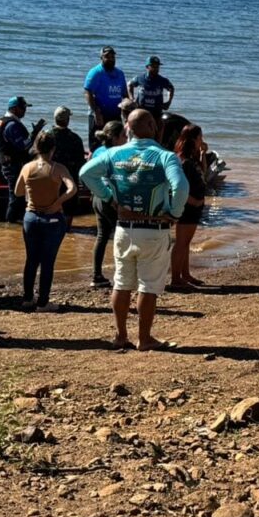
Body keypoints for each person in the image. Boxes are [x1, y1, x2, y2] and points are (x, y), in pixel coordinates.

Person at [80, 110, 189, 350]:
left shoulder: (114, 153)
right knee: (148, 286)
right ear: (152, 126)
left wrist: (109, 197)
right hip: (153, 228)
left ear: (128, 129)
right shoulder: (164, 156)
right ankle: (145, 338)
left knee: (121, 282)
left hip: (123, 228)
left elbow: (85, 173)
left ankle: (120, 335)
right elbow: (181, 186)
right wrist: (174, 212)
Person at [14, 131, 77, 312]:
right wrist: (57, 203)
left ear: (36, 147)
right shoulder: (58, 168)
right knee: (47, 261)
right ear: (53, 149)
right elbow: (72, 188)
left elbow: (18, 192)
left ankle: (27, 298)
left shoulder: (27, 167)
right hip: (52, 218)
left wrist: (32, 192)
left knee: (31, 259)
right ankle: (43, 302)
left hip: (31, 217)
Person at [168, 124, 207, 290]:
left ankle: (185, 274)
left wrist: (203, 153)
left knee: (186, 242)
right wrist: (193, 201)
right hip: (188, 206)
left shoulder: (192, 159)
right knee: (181, 242)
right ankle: (176, 278)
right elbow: (177, 187)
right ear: (193, 139)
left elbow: (203, 174)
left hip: (195, 206)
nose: (202, 141)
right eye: (200, 138)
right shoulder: (183, 161)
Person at [89, 121, 127, 289]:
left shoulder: (97, 151)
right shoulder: (117, 153)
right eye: (124, 136)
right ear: (115, 137)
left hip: (96, 197)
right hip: (110, 199)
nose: (126, 139)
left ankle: (96, 275)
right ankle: (123, 275)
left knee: (102, 236)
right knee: (123, 236)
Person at [0, 96, 45, 223]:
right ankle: (10, 226)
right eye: (22, 108)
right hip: (12, 166)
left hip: (12, 164)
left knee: (18, 197)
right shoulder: (11, 124)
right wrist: (35, 134)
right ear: (14, 108)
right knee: (16, 198)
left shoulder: (7, 121)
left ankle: (15, 223)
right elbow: (24, 146)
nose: (25, 110)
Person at [84, 46, 128, 150]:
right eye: (107, 56)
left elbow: (125, 94)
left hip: (115, 114)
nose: (110, 59)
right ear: (101, 58)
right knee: (96, 144)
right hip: (99, 115)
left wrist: (127, 112)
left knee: (117, 143)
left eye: (113, 56)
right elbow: (88, 92)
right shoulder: (95, 72)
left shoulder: (120, 74)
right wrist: (96, 111)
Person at [50, 106, 87, 228]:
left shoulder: (47, 136)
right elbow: (81, 162)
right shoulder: (75, 138)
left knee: (51, 205)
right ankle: (66, 230)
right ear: (67, 120)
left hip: (51, 177)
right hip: (69, 178)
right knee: (69, 208)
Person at [128, 55, 174, 122]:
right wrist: (132, 99)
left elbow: (171, 88)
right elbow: (129, 84)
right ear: (147, 67)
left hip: (156, 112)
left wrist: (168, 102)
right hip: (141, 111)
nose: (156, 69)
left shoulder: (162, 80)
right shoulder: (140, 78)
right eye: (153, 66)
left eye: (157, 67)